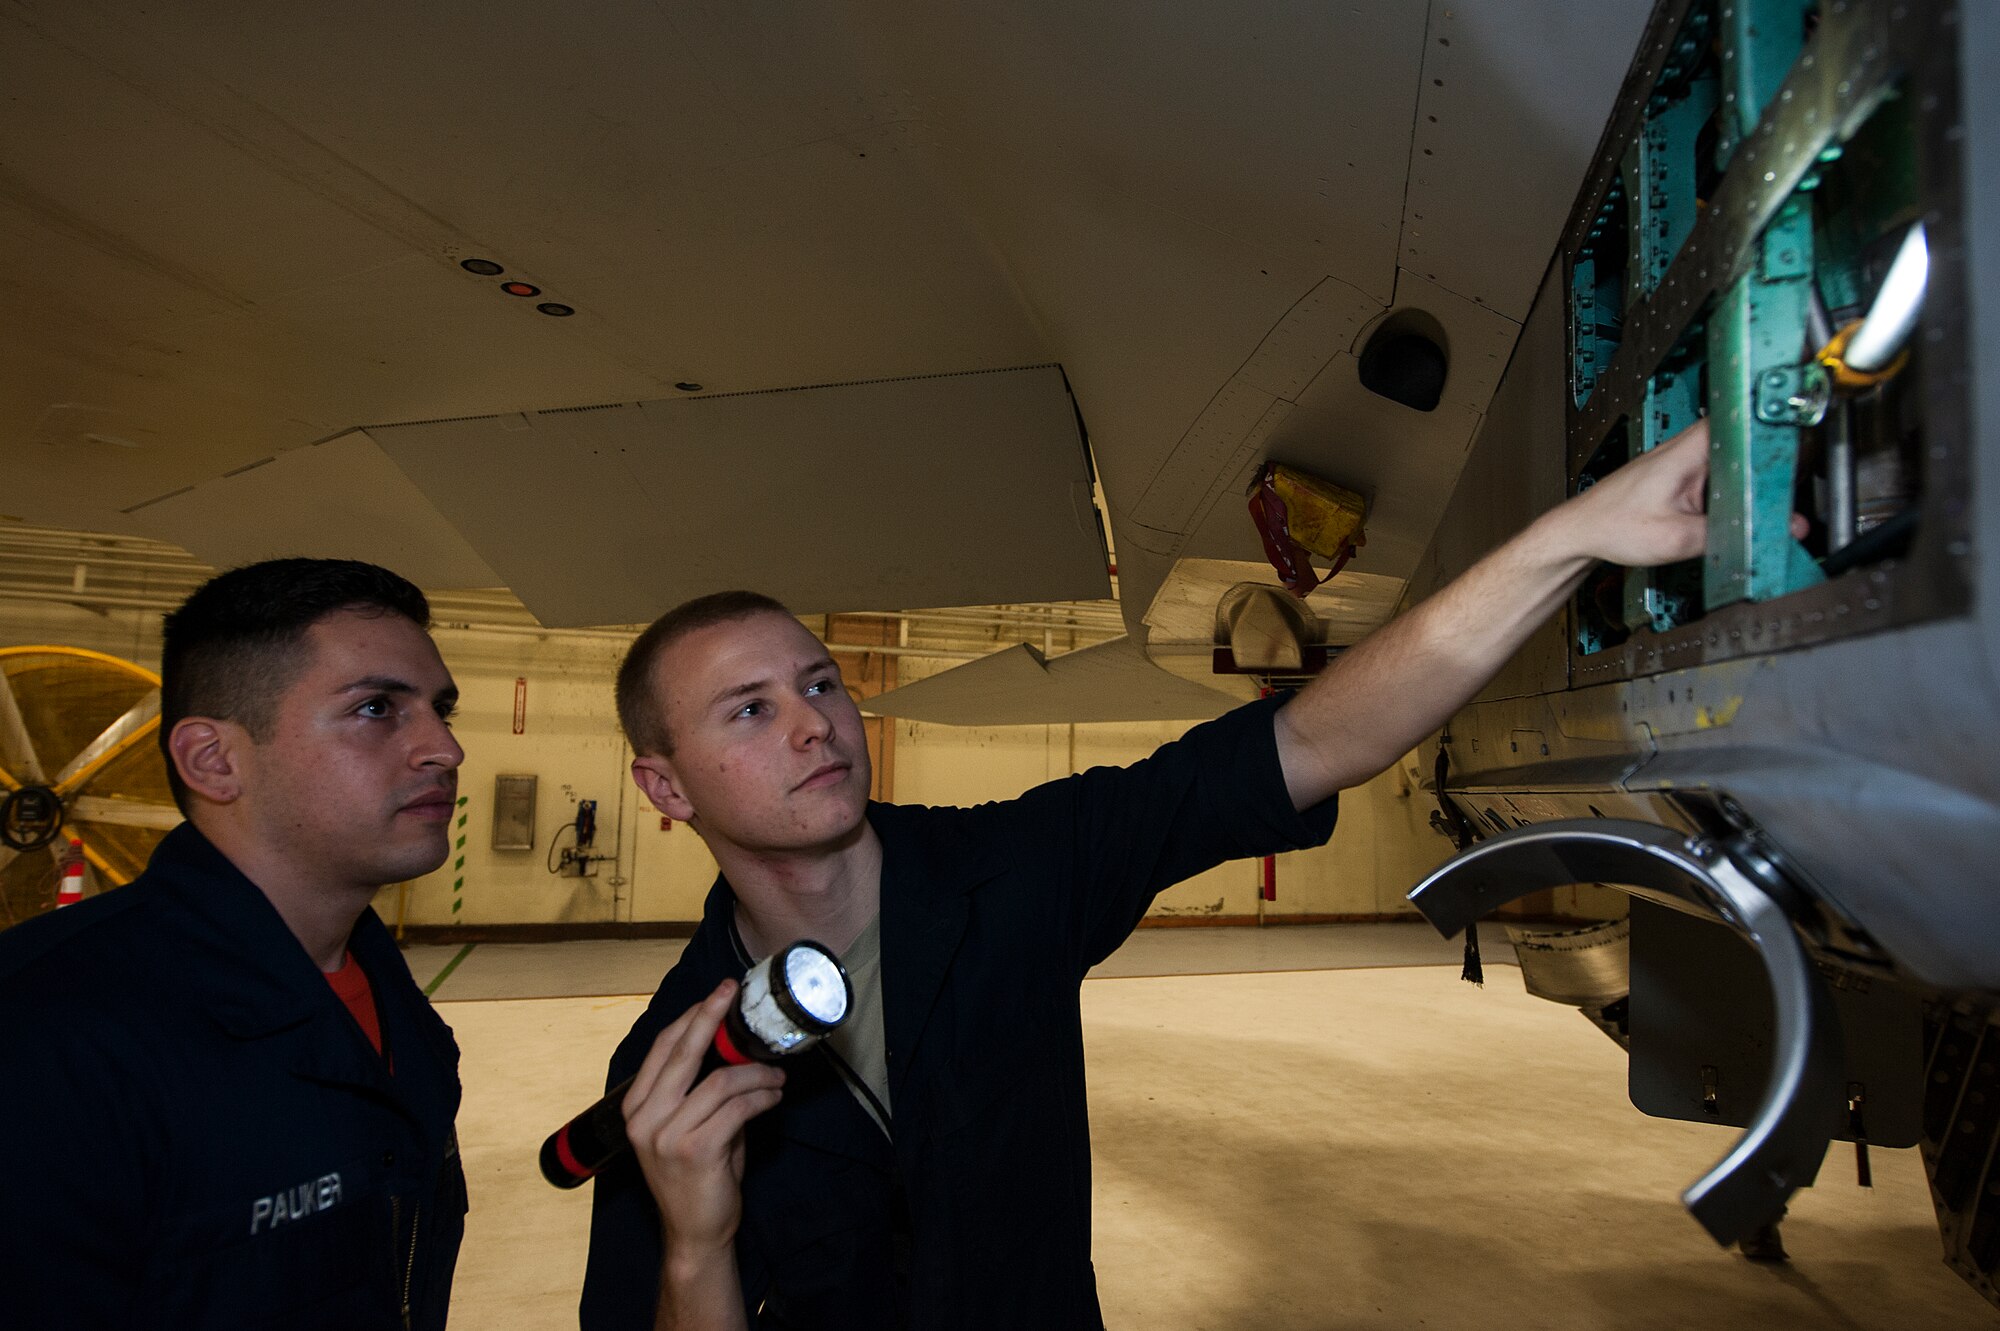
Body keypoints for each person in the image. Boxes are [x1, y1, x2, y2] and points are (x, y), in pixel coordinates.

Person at [579, 421, 1723, 1329]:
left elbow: (1308, 744)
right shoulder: (667, 1071)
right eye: (749, 709)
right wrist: (694, 1240)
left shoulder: (1011, 875)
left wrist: (1565, 538)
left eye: (820, 683)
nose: (812, 724)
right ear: (665, 786)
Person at [0, 559, 470, 1330]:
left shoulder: (397, 1010)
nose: (444, 749)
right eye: (378, 707)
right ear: (213, 760)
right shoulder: (44, 1041)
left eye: (440, 708)